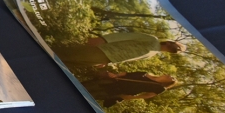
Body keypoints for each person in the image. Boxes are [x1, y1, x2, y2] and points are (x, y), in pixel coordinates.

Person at [53, 31, 186, 68]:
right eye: (175, 47)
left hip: (106, 58)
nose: (173, 50)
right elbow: (125, 36)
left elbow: (129, 59)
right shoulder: (152, 39)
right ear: (169, 43)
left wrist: (108, 63)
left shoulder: (153, 54)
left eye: (175, 51)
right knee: (62, 54)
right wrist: (103, 39)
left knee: (66, 64)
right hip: (103, 50)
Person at [81, 70, 179, 108]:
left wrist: (130, 98)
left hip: (118, 91)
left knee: (89, 96)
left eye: (172, 78)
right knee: (85, 86)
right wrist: (116, 75)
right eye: (171, 75)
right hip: (113, 82)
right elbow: (127, 74)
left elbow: (147, 95)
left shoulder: (159, 88)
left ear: (168, 82)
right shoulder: (145, 74)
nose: (170, 75)